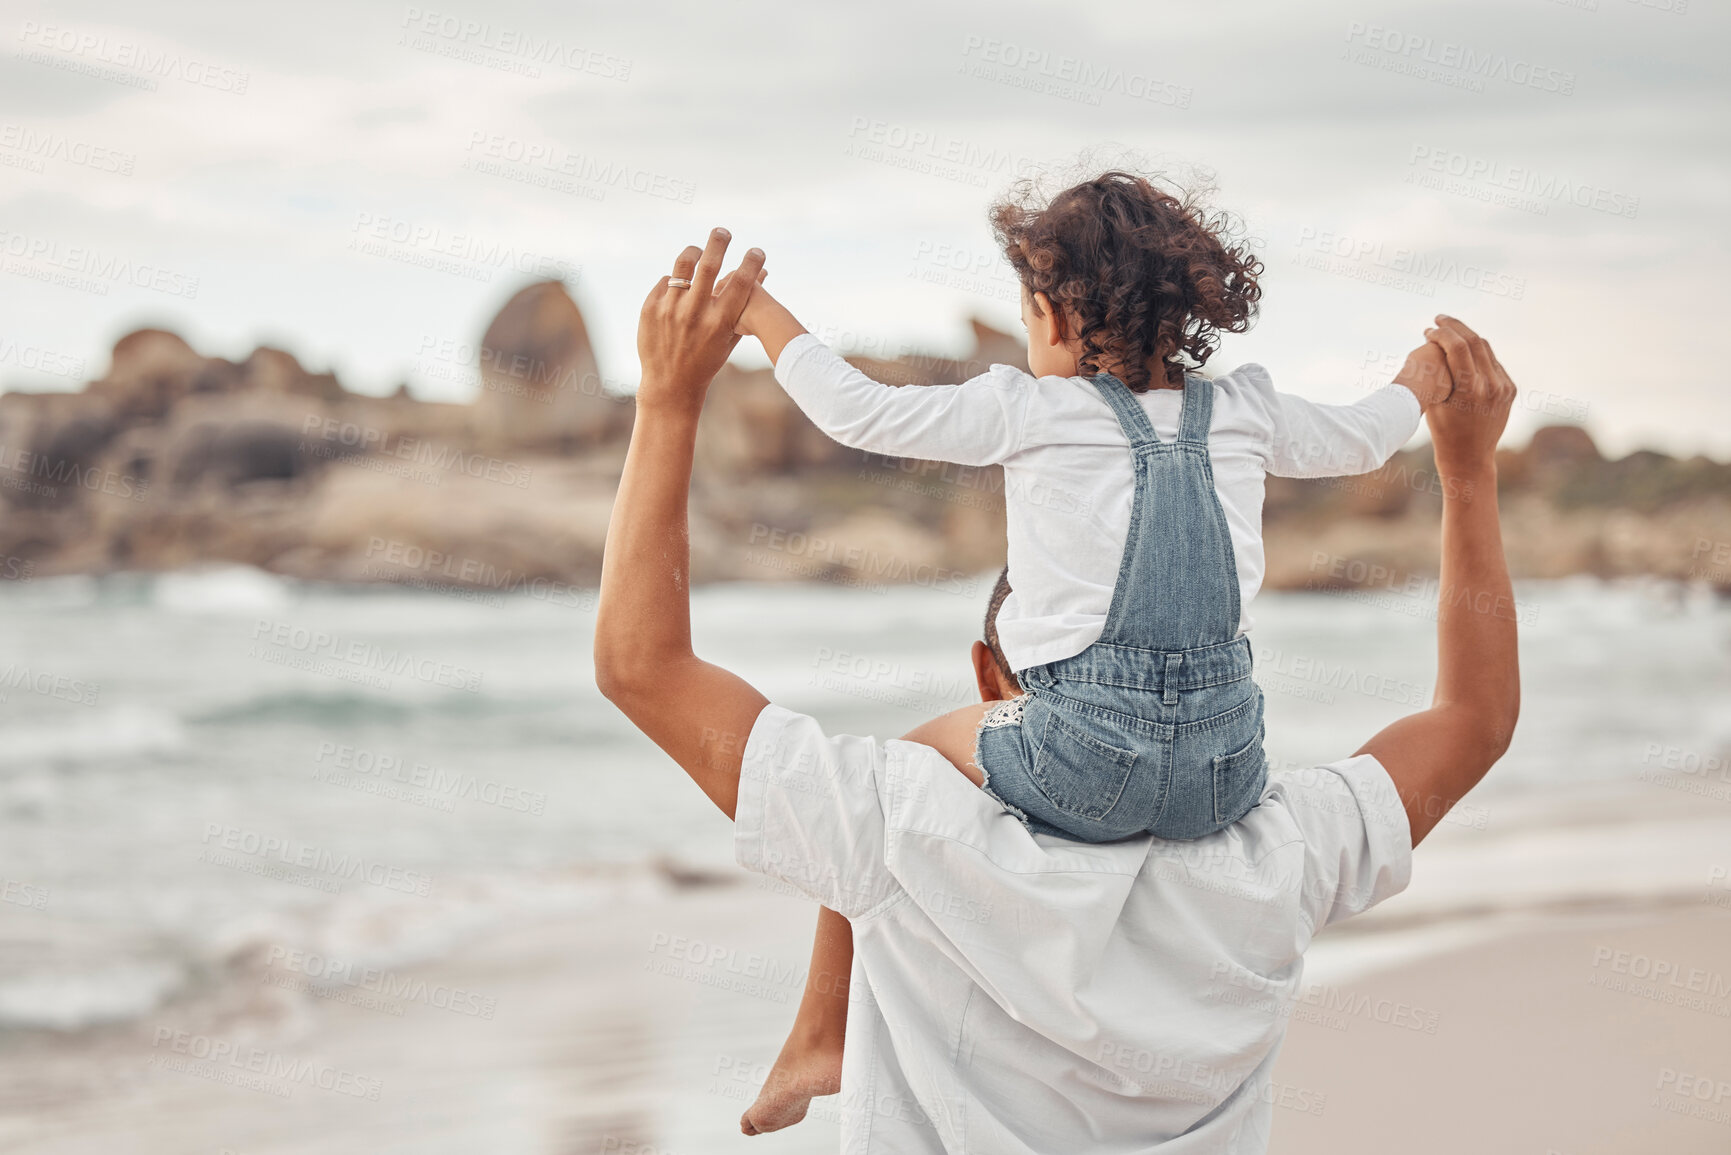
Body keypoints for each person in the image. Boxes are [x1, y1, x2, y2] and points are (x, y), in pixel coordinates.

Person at [595, 228, 1519, 1151]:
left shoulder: (899, 834)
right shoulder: (1281, 858)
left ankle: (816, 1031)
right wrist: (1463, 464)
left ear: (993, 677)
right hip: (1222, 779)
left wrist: (671, 397)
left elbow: (642, 666)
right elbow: (1472, 718)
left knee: (918, 748)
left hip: (1044, 773)